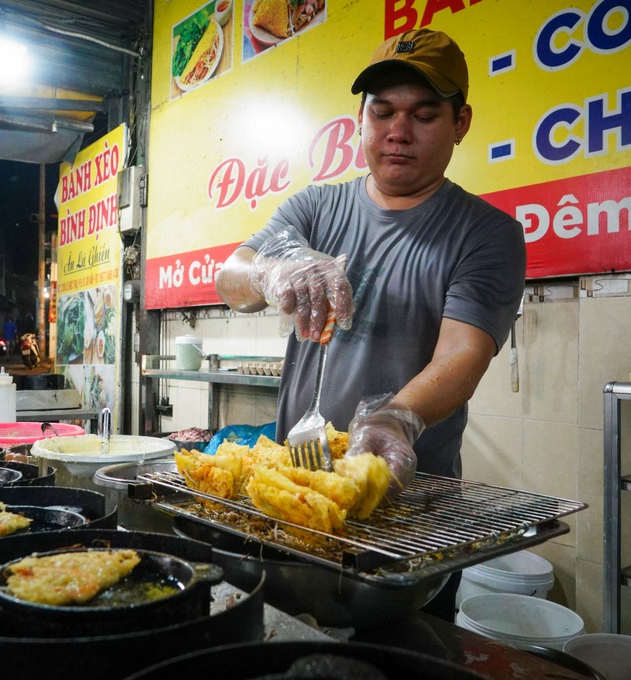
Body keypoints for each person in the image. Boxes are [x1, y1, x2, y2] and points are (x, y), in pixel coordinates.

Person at [215, 29, 526, 619]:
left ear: (461, 122)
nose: (397, 131)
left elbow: (463, 353)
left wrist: (395, 417)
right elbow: (231, 277)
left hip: (409, 506)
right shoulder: (312, 210)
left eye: (423, 114)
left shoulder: (487, 233)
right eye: (381, 112)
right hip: (296, 491)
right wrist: (272, 272)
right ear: (360, 120)